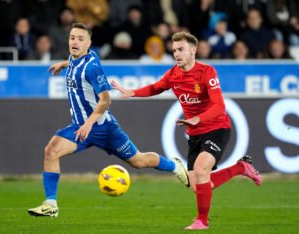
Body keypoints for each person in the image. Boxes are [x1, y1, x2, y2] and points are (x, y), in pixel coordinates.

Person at [27, 23, 189, 217]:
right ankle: (50, 204)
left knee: (138, 161)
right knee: (51, 150)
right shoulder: (77, 57)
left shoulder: (92, 68)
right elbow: (75, 62)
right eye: (72, 38)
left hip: (104, 128)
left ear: (89, 43)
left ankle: (175, 166)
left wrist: (88, 123)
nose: (75, 42)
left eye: (80, 39)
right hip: (80, 128)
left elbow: (106, 100)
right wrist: (64, 64)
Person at [111, 31, 263, 230]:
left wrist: (197, 119)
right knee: (198, 185)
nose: (176, 54)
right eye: (174, 50)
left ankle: (202, 221)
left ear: (193, 50)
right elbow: (156, 87)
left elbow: (219, 107)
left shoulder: (207, 72)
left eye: (181, 49)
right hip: (195, 134)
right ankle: (240, 168)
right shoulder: (173, 74)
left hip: (217, 128)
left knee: (201, 171)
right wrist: (133, 92)